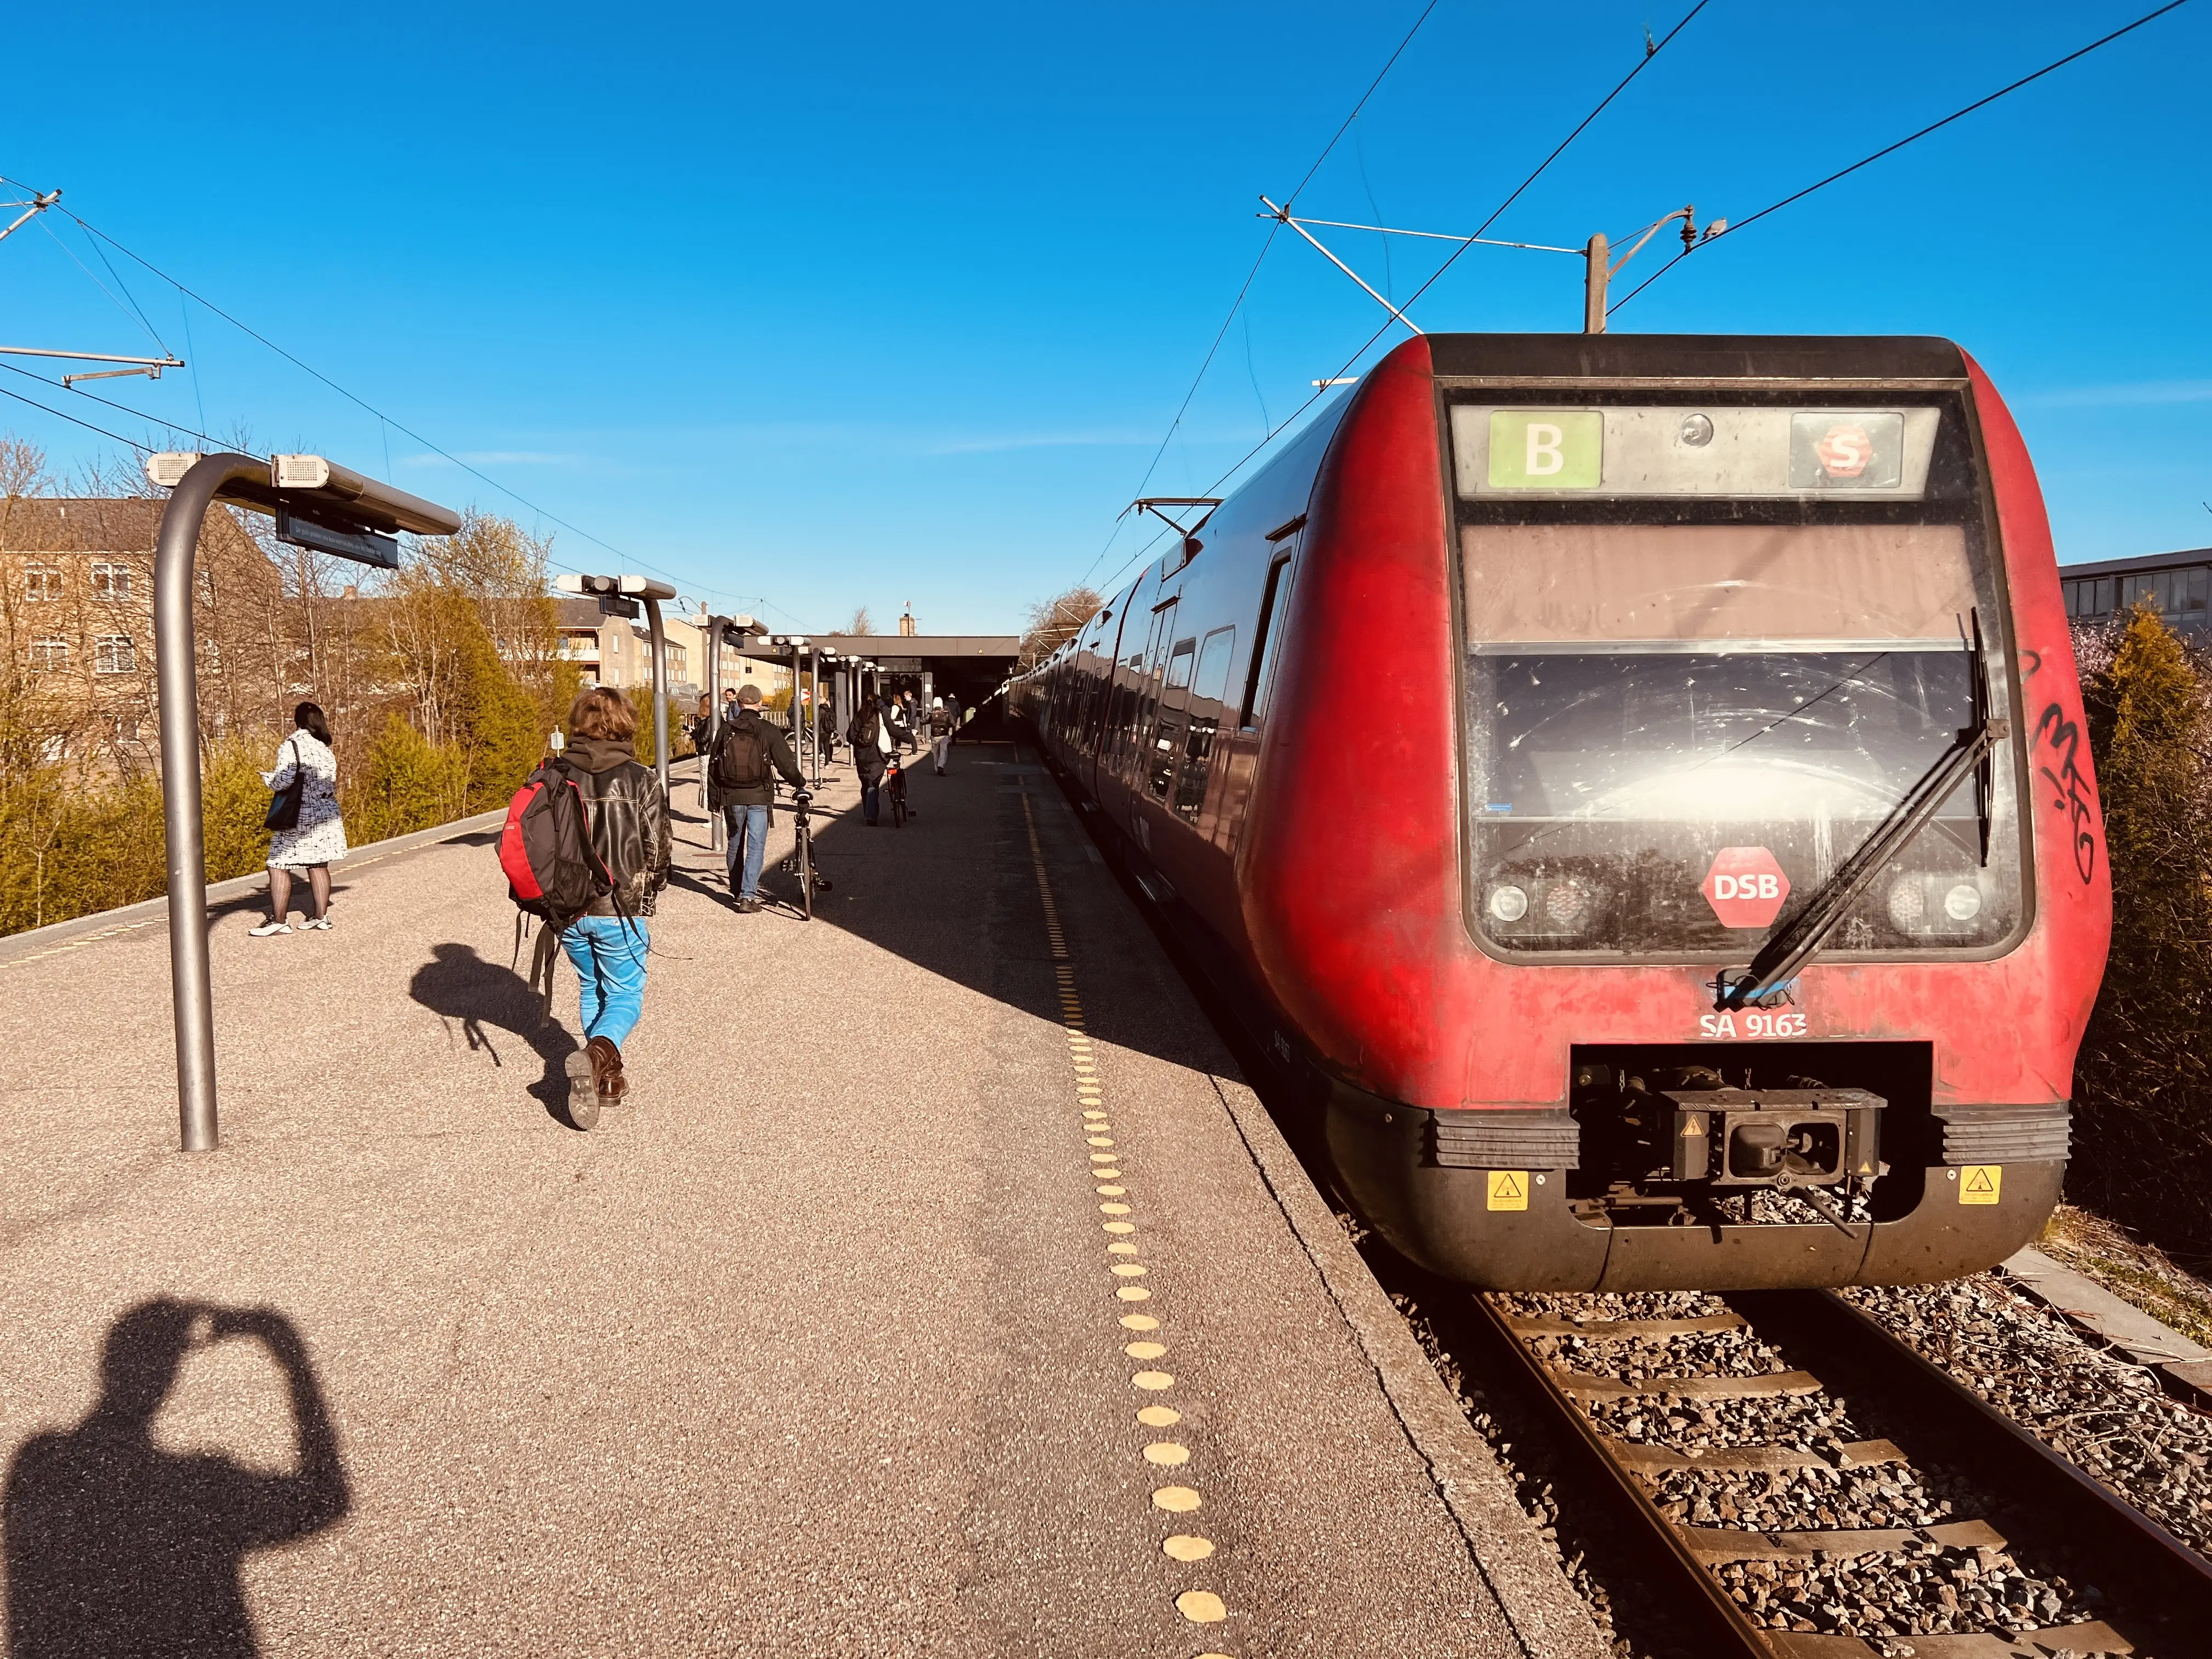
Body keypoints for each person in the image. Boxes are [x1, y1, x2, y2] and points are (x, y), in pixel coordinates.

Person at [557, 686, 670, 1110]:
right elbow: (657, 848)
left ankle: (608, 1079)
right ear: (624, 724)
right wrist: (650, 887)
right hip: (619, 907)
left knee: (591, 987)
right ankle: (595, 1056)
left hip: (566, 908)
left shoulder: (554, 773)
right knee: (624, 994)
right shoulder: (640, 778)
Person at [708, 683, 805, 912]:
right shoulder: (768, 729)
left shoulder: (725, 730)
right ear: (760, 704)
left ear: (739, 703)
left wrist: (714, 801)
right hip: (759, 796)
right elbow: (785, 765)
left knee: (735, 843)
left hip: (731, 796)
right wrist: (800, 783)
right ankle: (748, 897)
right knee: (756, 846)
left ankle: (736, 888)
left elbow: (713, 768)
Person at [252, 703, 345, 936]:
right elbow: (329, 781)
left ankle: (279, 921)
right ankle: (321, 917)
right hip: (326, 813)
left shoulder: (291, 745)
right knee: (318, 863)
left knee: (277, 864)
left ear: (297, 721)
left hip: (300, 816)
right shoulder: (325, 748)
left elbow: (283, 781)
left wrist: (267, 778)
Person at [846, 693, 910, 826]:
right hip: (878, 756)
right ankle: (871, 816)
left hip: (862, 757)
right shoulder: (880, 715)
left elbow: (850, 737)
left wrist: (861, 744)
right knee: (873, 784)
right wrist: (909, 738)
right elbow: (893, 730)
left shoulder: (860, 716)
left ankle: (868, 813)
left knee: (866, 784)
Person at [927, 696, 954, 775]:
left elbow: (923, 721)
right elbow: (952, 722)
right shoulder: (946, 712)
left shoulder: (932, 713)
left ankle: (936, 768)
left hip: (935, 735)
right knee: (943, 751)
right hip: (944, 734)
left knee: (935, 752)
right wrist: (947, 726)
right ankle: (940, 766)